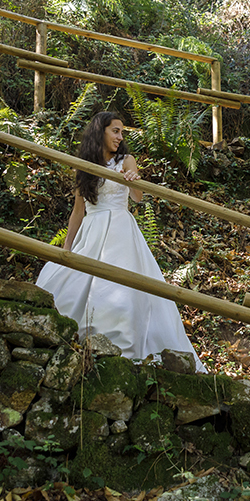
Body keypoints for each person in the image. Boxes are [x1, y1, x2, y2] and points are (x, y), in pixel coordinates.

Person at [36, 111, 206, 372]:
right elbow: (78, 212)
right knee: (71, 283)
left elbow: (137, 196)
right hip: (92, 231)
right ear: (100, 131)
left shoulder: (126, 160)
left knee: (123, 291)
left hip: (120, 231)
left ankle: (122, 351)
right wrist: (67, 248)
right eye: (115, 131)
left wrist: (133, 180)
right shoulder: (84, 166)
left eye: (122, 132)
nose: (120, 137)